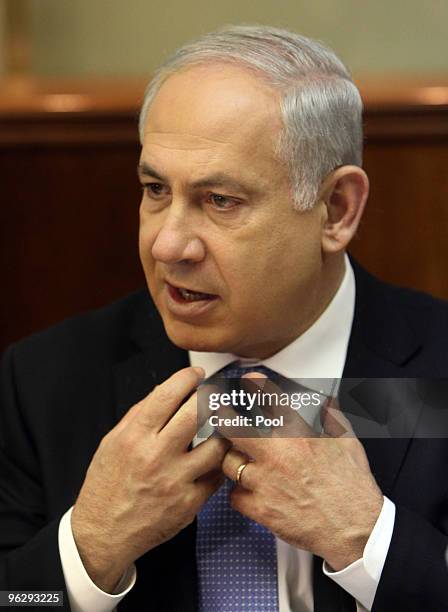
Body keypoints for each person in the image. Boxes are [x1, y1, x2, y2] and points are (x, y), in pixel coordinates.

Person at [1, 24, 448, 612]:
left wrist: (369, 541)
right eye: (156, 189)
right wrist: (88, 549)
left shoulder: (435, 370)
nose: (168, 246)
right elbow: (17, 598)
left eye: (221, 201)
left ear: (336, 210)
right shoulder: (44, 380)